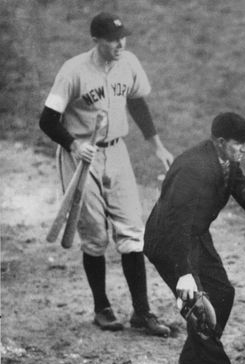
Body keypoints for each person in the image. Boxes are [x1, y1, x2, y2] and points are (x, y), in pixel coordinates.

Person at [38, 12, 173, 336]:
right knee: (95, 235)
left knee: (131, 232)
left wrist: (156, 146)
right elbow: (47, 120)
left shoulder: (128, 62)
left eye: (122, 37)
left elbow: (137, 102)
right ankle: (102, 307)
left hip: (117, 154)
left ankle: (142, 313)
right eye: (113, 40)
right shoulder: (73, 71)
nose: (120, 44)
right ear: (96, 40)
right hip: (82, 157)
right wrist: (72, 145)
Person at [144, 112, 245, 364]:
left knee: (222, 293)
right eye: (239, 144)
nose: (244, 150)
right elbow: (174, 221)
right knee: (199, 309)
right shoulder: (192, 168)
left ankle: (192, 361)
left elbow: (238, 183)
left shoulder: (226, 160)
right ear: (220, 142)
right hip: (170, 242)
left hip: (195, 235)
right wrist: (183, 273)